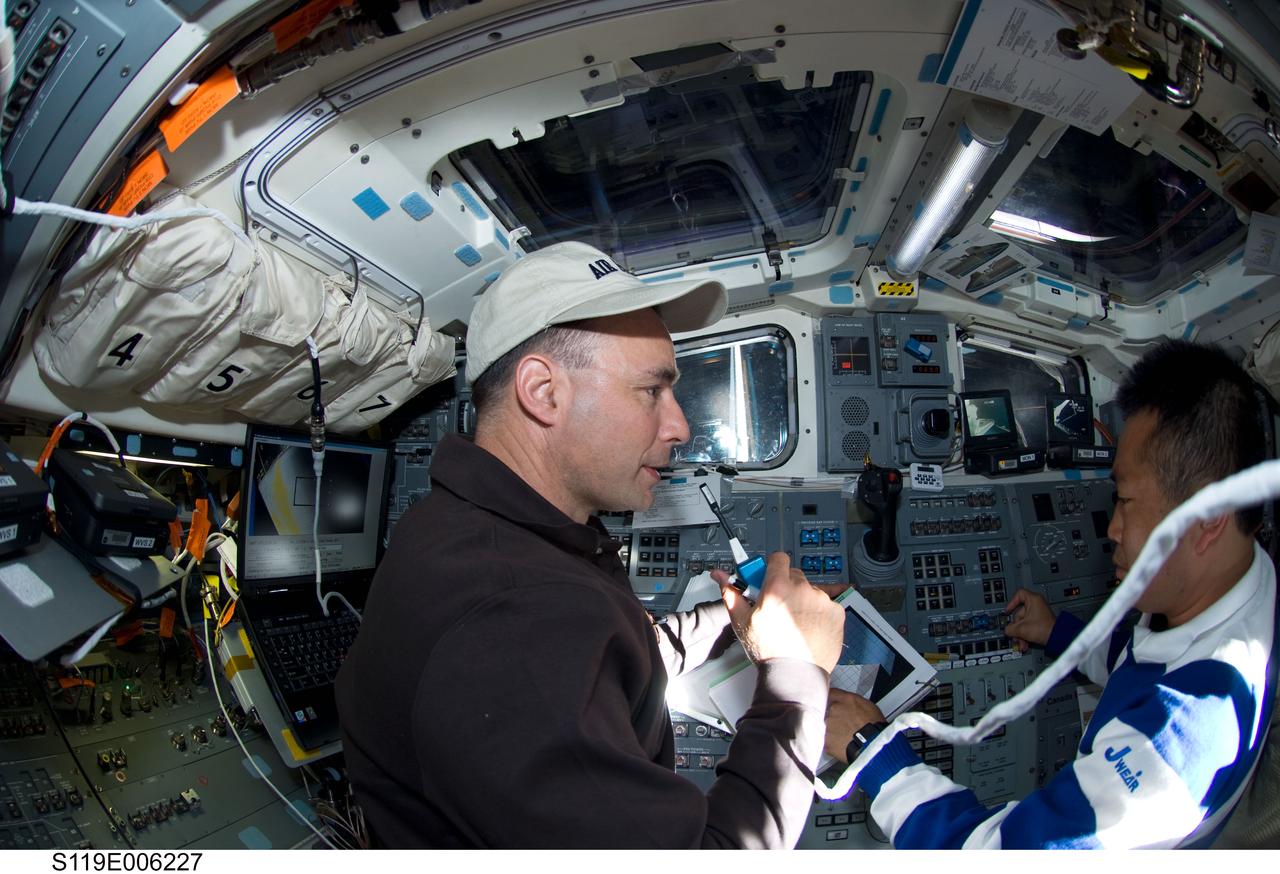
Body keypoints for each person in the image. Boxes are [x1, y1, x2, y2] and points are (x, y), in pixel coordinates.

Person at [336, 241, 845, 848]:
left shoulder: (484, 530)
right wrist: (797, 673)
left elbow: (605, 658)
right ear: (543, 392)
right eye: (652, 391)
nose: (679, 426)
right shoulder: (511, 617)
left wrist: (726, 623)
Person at [824, 339, 1276, 848]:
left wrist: (873, 749)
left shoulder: (1173, 747)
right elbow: (1146, 657)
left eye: (1125, 500)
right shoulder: (1246, 579)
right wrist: (1059, 632)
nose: (1114, 529)